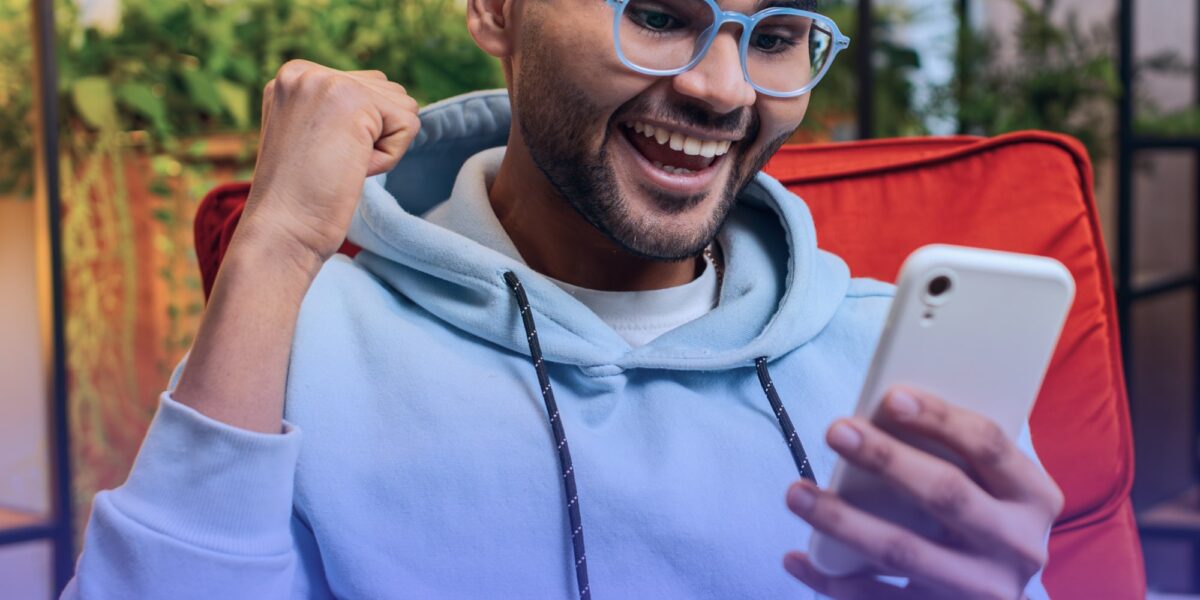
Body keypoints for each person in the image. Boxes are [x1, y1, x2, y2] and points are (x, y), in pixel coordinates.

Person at [64, 0, 1063, 598]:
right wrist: (271, 246)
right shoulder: (294, 338)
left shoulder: (899, 358)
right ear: (497, 10)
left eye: (778, 33)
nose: (725, 90)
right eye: (658, 15)